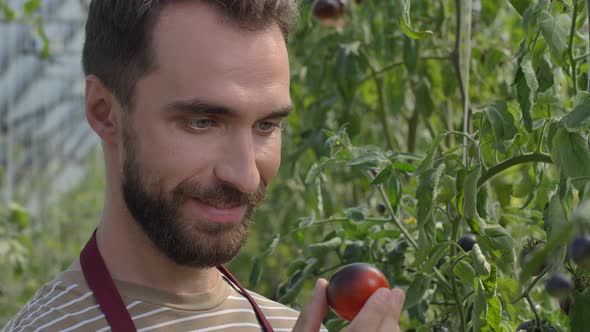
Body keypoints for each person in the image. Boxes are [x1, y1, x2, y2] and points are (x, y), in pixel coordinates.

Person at [3, 1, 406, 331]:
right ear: (104, 111)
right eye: (202, 122)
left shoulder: (290, 326)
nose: (246, 176)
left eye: (266, 125)